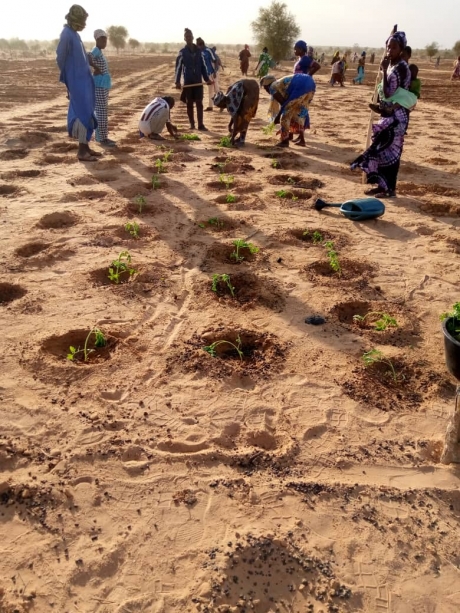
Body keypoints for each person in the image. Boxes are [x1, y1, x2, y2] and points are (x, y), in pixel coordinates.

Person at [351, 31, 412, 198]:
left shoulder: (401, 67)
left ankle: (390, 189)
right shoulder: (392, 64)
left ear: (401, 49)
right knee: (381, 151)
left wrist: (384, 71)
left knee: (391, 152)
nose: (389, 50)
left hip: (397, 117)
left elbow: (389, 92)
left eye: (393, 47)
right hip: (387, 115)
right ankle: (382, 185)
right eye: (388, 47)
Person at [56, 4, 99, 162]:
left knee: (88, 111)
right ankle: (81, 151)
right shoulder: (66, 34)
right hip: (77, 82)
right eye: (82, 20)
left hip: (84, 80)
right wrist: (69, 78)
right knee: (82, 113)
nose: (84, 23)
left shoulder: (74, 34)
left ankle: (86, 146)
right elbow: (60, 58)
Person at [261, 73, 316, 147]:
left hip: (300, 85)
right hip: (311, 84)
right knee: (300, 113)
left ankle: (284, 141)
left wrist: (277, 117)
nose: (266, 90)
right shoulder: (280, 84)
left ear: (268, 85)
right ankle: (301, 139)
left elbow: (284, 105)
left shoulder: (273, 87)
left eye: (265, 87)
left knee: (285, 117)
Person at [175, 29, 212, 131]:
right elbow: (178, 68)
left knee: (199, 103)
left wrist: (207, 79)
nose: (188, 38)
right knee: (189, 103)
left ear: (192, 37)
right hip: (188, 81)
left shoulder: (199, 51)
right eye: (186, 37)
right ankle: (192, 124)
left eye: (190, 36)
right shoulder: (182, 53)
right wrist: (177, 81)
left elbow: (203, 67)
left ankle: (201, 125)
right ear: (184, 39)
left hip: (198, 81)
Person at [88, 29, 115, 148]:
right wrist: (95, 68)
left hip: (102, 84)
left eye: (106, 39)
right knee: (101, 113)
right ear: (96, 39)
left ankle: (103, 137)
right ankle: (101, 138)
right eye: (102, 39)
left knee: (103, 112)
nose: (105, 42)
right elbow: (89, 57)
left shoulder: (99, 51)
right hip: (99, 85)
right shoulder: (95, 50)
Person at [213, 80, 259, 146]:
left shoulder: (230, 102)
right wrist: (229, 125)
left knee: (244, 117)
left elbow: (235, 121)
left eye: (220, 106)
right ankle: (241, 138)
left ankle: (242, 140)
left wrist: (232, 137)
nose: (222, 107)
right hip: (250, 87)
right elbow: (235, 112)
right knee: (241, 114)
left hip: (252, 91)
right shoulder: (229, 95)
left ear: (222, 102)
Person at [196, 37, 218, 111]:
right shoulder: (199, 52)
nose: (197, 47)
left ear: (201, 45)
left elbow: (215, 61)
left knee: (217, 90)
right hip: (207, 75)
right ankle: (210, 106)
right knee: (210, 90)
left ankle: (224, 103)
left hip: (213, 73)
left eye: (197, 45)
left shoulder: (208, 50)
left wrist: (215, 71)